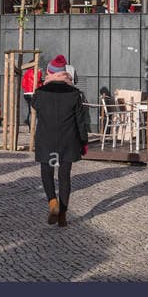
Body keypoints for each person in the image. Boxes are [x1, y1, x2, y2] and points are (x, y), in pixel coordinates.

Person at [32, 54, 88, 227]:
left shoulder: (40, 93)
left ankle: (52, 202)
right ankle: (63, 214)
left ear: (50, 72)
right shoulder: (74, 94)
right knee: (64, 177)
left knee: (46, 173)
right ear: (65, 73)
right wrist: (83, 141)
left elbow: (35, 106)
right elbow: (81, 121)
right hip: (68, 140)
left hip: (46, 139)